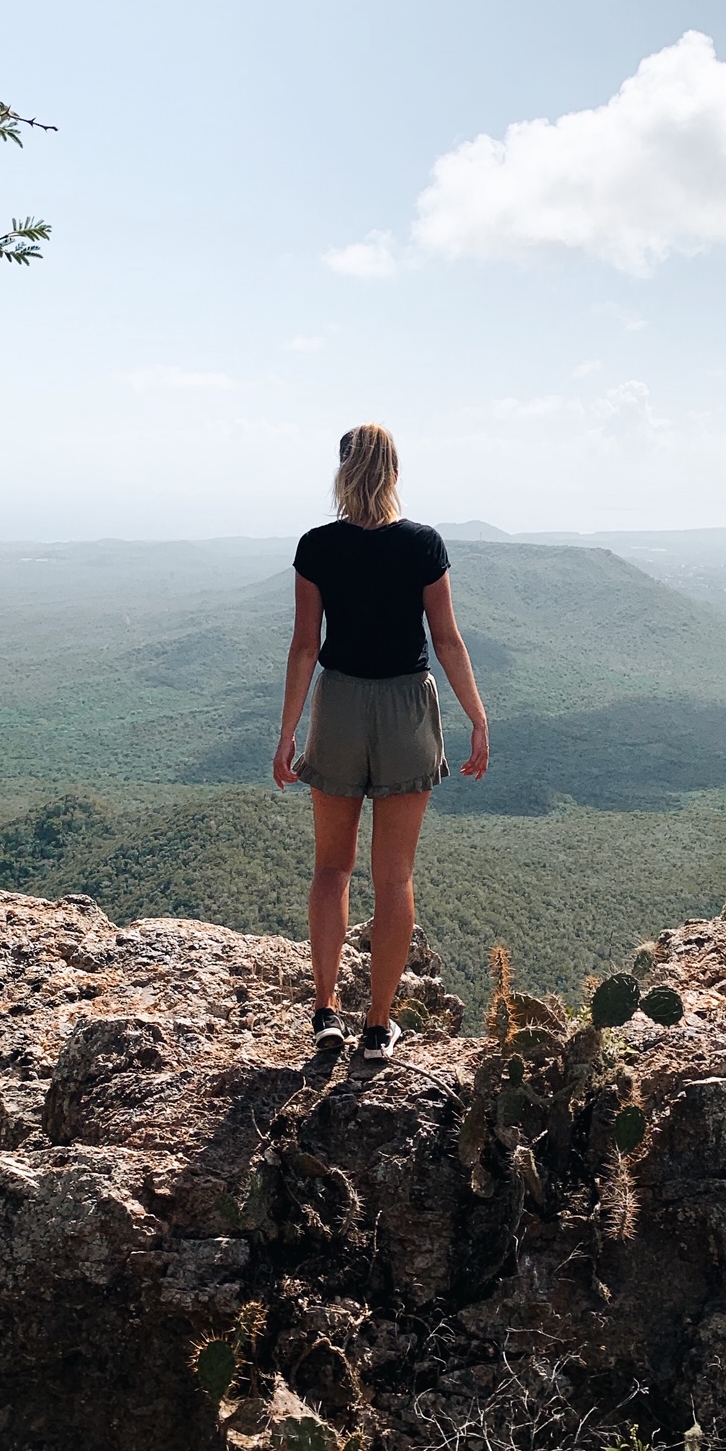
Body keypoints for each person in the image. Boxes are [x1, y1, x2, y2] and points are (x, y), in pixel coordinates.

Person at [272, 424, 489, 1061]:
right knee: (393, 879)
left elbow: (305, 647)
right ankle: (377, 1027)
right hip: (404, 707)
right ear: (395, 471)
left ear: (342, 472)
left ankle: (325, 1013)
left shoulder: (317, 547)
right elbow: (446, 640)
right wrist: (477, 716)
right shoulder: (423, 545)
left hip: (338, 702)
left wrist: (286, 736)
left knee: (331, 868)